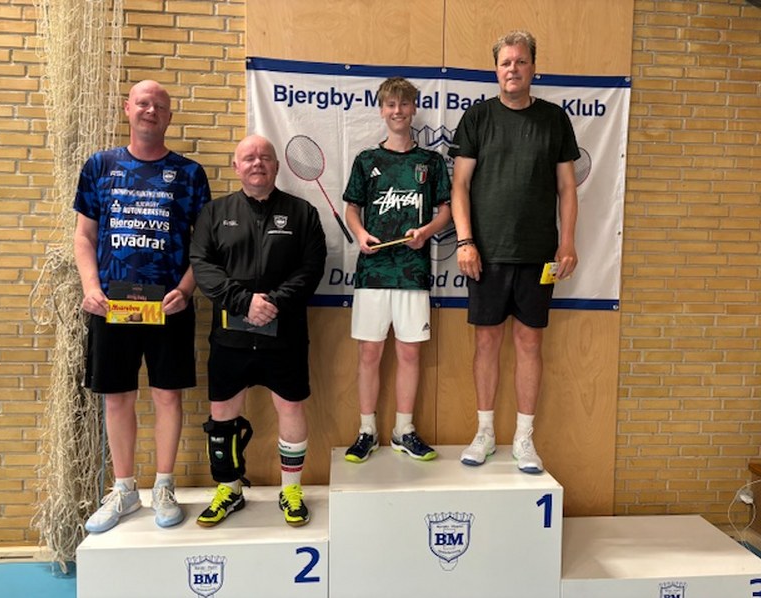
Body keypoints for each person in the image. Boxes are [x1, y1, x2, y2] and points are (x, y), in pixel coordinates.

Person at [74, 80, 211, 532]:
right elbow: (84, 236)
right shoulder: (100, 166)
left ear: (169, 116)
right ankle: (125, 490)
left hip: (168, 305)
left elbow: (204, 246)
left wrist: (186, 290)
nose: (151, 110)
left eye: (160, 106)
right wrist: (90, 287)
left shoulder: (189, 174)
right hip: (112, 304)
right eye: (143, 103)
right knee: (118, 396)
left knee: (167, 395)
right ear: (127, 108)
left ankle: (164, 486)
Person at [448, 31, 580, 474]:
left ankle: (525, 438)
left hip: (539, 253)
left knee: (529, 342)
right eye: (506, 63)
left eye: (521, 62)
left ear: (533, 68)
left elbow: (567, 187)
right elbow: (460, 185)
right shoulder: (477, 117)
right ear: (496, 69)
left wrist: (567, 241)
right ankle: (485, 432)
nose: (513, 69)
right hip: (485, 254)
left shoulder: (554, 119)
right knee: (486, 342)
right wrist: (465, 241)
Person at [190, 134, 326, 527]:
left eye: (265, 157)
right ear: (236, 167)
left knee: (291, 407)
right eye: (248, 158)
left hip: (284, 334)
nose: (257, 163)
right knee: (222, 413)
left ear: (276, 166)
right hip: (230, 337)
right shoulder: (214, 213)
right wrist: (243, 302)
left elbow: (312, 267)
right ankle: (229, 490)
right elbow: (202, 265)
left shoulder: (302, 213)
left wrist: (274, 303)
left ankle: (291, 490)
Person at [342, 77, 452, 463]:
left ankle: (404, 430)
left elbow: (446, 211)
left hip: (412, 272)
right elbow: (351, 208)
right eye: (390, 105)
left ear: (414, 109)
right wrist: (360, 234)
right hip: (373, 273)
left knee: (409, 353)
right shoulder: (366, 160)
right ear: (381, 110)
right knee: (369, 353)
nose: (397, 111)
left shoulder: (431, 163)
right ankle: (367, 431)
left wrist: (426, 232)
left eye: (404, 104)